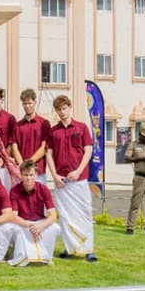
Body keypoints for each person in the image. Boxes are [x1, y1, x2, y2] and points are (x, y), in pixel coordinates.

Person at [45, 94, 97, 262]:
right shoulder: (53, 131)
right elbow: (49, 154)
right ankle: (69, 249)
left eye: (64, 108)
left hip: (79, 180)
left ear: (70, 107)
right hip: (61, 181)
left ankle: (88, 249)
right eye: (59, 110)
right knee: (65, 216)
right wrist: (54, 176)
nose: (62, 112)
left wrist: (78, 171)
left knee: (84, 213)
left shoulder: (82, 128)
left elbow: (88, 151)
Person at [8, 160, 60, 266]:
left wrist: (40, 226)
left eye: (31, 175)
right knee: (14, 229)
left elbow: (53, 215)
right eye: (25, 175)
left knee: (55, 228)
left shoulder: (43, 189)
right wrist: (30, 226)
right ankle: (21, 257)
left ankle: (47, 257)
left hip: (39, 222)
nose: (28, 178)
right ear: (21, 175)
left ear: (36, 174)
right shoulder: (14, 191)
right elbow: (13, 216)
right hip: (23, 223)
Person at [10, 88, 50, 180]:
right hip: (21, 172)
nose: (27, 106)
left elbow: (44, 148)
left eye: (29, 103)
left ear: (35, 102)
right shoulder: (17, 126)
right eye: (25, 103)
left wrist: (29, 163)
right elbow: (14, 148)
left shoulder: (44, 123)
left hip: (38, 172)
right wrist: (22, 165)